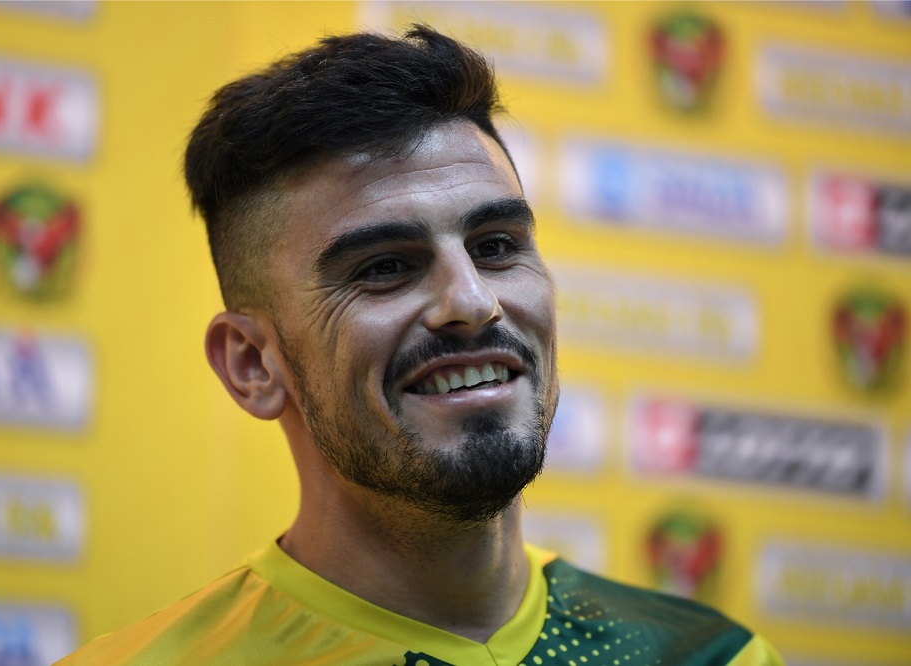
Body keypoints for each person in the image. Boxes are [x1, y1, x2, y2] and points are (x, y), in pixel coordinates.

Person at [59, 26, 783, 665]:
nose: (472, 302)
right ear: (254, 364)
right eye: (384, 267)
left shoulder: (712, 659)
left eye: (496, 246)